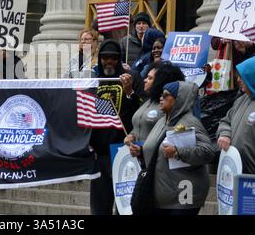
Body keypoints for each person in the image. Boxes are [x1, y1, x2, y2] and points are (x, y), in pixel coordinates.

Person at [130, 81, 215, 215]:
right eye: (161, 95)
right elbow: (159, 148)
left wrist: (177, 152)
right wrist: (141, 151)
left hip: (183, 198)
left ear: (178, 100)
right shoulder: (162, 121)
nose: (161, 98)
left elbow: (208, 152)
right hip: (163, 196)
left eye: (166, 95)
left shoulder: (190, 122)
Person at [89, 39, 144, 215]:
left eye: (113, 58)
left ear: (119, 59)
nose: (109, 61)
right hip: (100, 154)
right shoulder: (93, 82)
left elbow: (143, 110)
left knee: (125, 207)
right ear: (100, 59)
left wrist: (129, 93)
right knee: (100, 207)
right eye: (105, 57)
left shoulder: (132, 77)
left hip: (123, 150)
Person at [217, 56, 255, 174]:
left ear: (254, 77)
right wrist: (225, 134)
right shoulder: (241, 99)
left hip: (254, 183)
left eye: (242, 76)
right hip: (233, 176)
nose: (238, 80)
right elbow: (226, 121)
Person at [124, 62, 185, 144]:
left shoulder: (169, 106)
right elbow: (138, 126)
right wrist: (132, 135)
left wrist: (144, 150)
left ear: (160, 82)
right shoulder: (148, 101)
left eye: (149, 78)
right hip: (138, 154)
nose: (144, 80)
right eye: (146, 77)